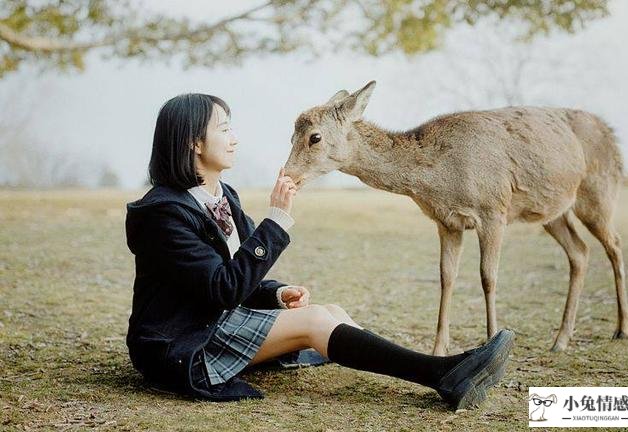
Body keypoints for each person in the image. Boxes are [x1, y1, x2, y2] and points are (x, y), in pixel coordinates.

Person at [124, 93, 515, 410]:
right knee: (314, 322)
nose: (234, 138)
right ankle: (442, 373)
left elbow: (231, 277)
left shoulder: (223, 196)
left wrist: (276, 292)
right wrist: (275, 222)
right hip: (181, 347)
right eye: (223, 129)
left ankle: (435, 368)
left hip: (213, 323)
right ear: (194, 143)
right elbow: (223, 289)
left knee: (331, 314)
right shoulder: (164, 214)